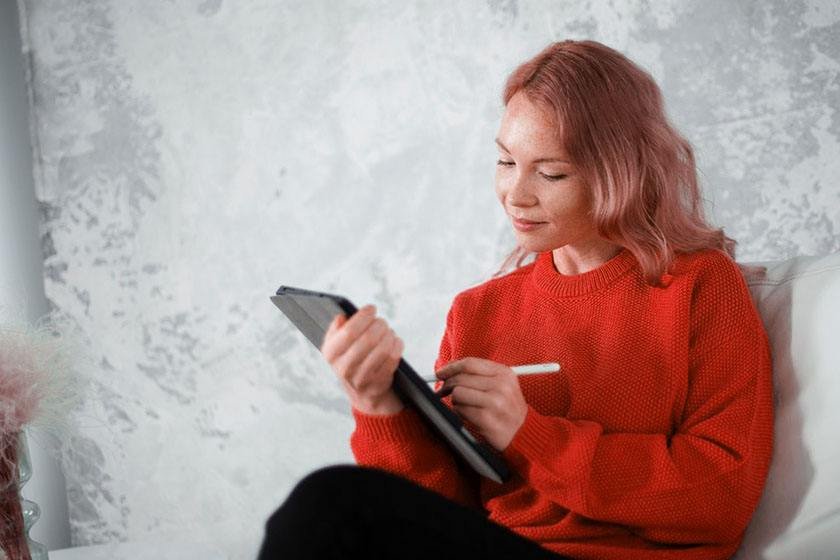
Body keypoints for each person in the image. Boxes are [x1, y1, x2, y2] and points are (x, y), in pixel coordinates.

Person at [258, 39, 774, 560]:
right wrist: (377, 405)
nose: (515, 194)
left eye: (551, 173)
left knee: (330, 501)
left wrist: (530, 434)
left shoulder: (701, 285)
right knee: (333, 511)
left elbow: (722, 496)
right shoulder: (478, 311)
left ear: (623, 172)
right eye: (505, 161)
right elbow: (442, 512)